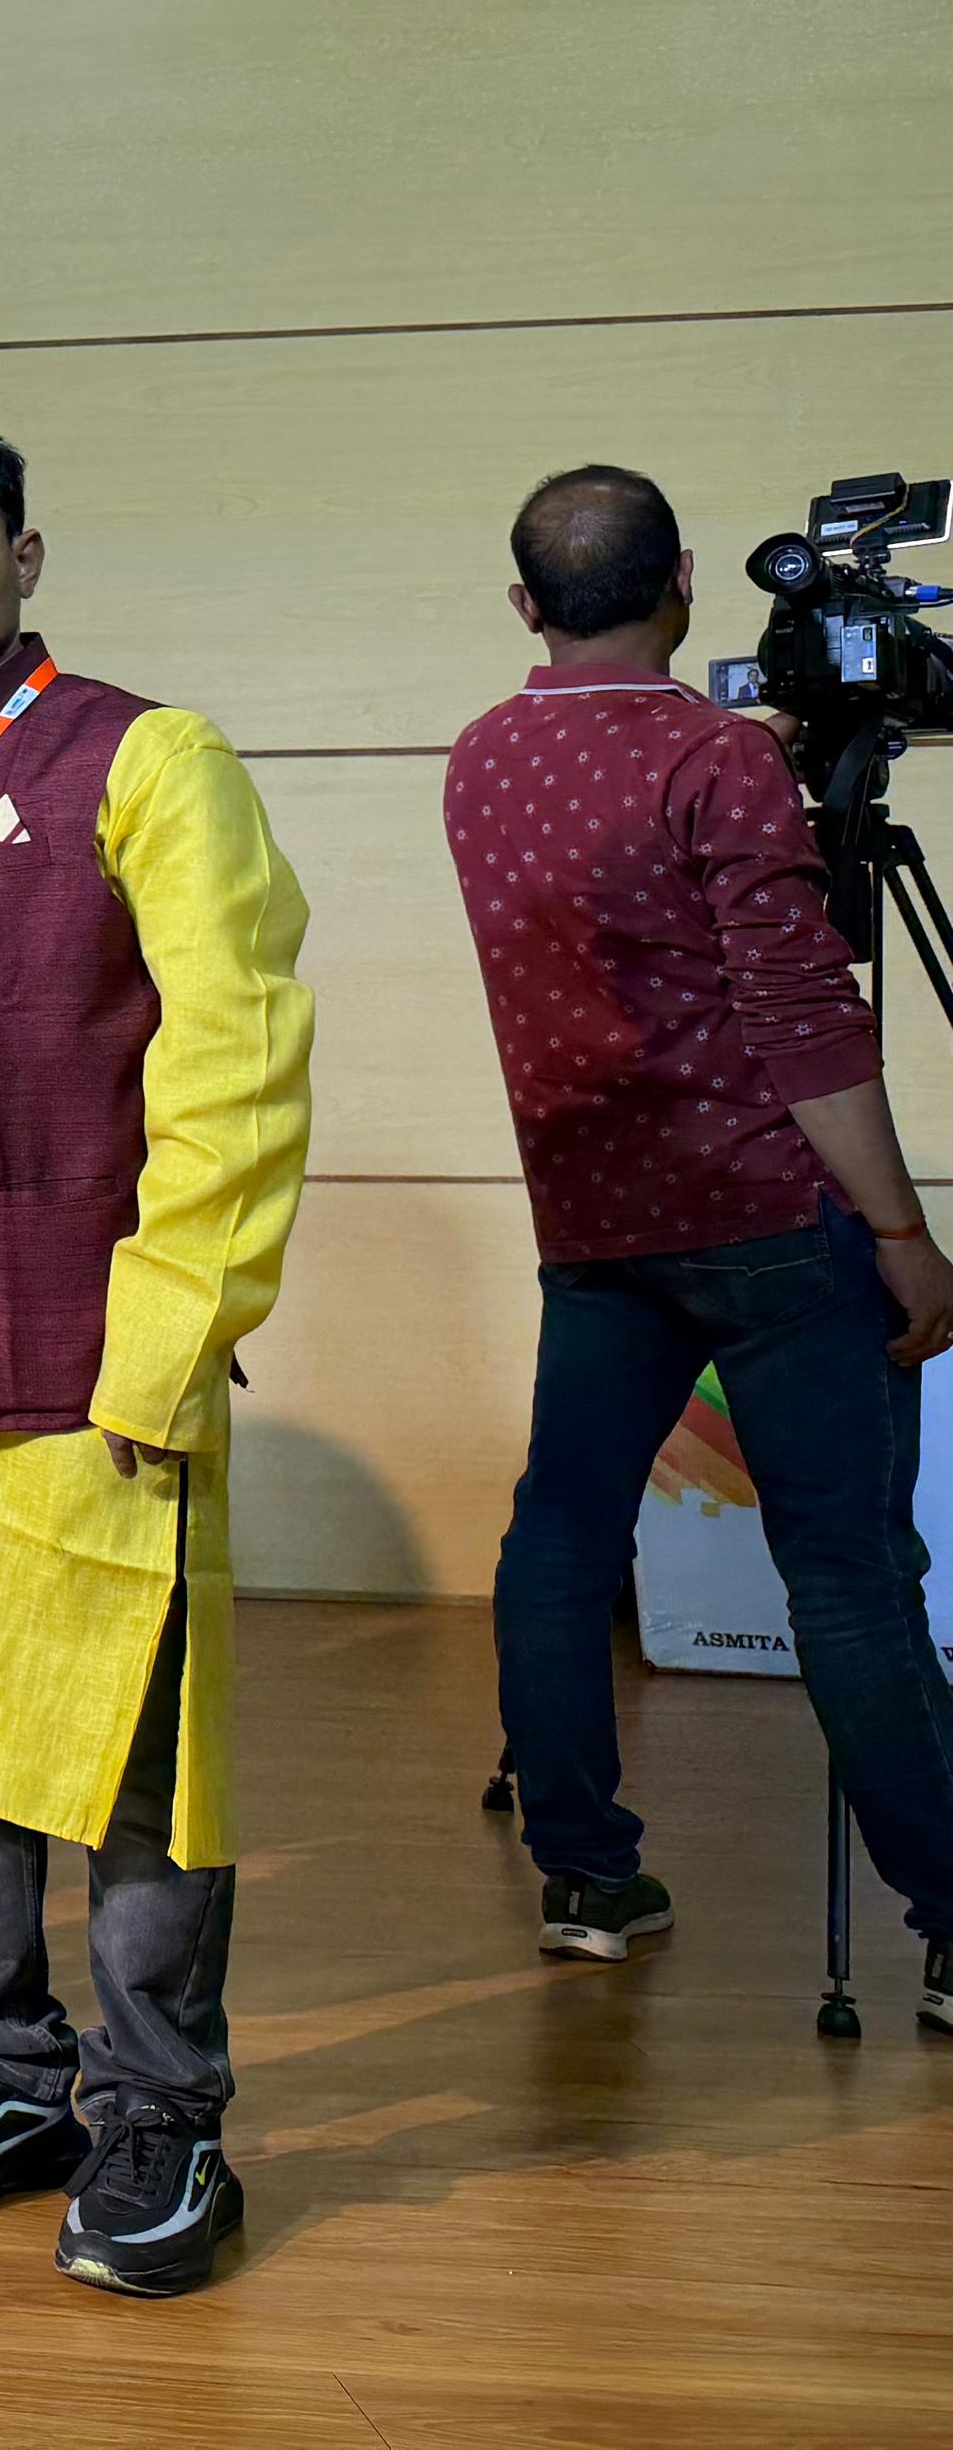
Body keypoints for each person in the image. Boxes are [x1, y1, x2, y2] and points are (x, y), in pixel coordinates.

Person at [0, 418, 311, 2298]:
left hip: (98, 1354)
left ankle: (162, 2106)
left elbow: (235, 1069)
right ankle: (6, 2074)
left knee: (131, 1748)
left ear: (24, 558)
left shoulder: (148, 758)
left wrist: (169, 1347)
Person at [444, 464, 953, 2017]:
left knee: (559, 1537)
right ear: (682, 582)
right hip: (768, 1224)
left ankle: (588, 1879)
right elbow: (807, 1029)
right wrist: (903, 1233)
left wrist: (748, 770)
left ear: (523, 606)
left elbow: (614, 886)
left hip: (595, 1224)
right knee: (848, 1571)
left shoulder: (482, 756)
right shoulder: (715, 762)